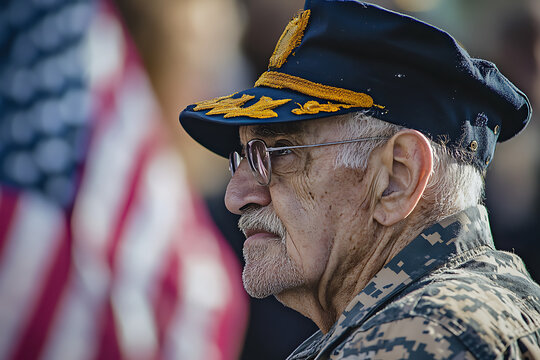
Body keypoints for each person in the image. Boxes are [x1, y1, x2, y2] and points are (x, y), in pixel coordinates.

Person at [179, 0, 540, 358]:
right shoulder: (440, 317)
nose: (237, 195)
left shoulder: (421, 335)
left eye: (281, 151)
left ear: (398, 177)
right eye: (242, 158)